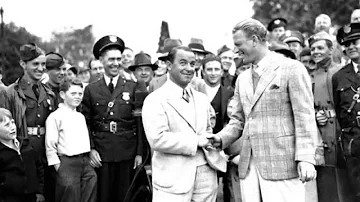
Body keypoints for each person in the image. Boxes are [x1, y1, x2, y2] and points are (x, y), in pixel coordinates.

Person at [208, 18, 317, 202]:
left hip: (283, 166)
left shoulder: (292, 68)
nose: (235, 50)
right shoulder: (242, 79)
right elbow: (238, 120)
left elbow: (304, 116)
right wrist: (220, 138)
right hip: (249, 168)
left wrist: (306, 158)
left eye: (238, 44)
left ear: (254, 40)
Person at [142, 46, 227, 202]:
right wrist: (196, 141)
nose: (189, 68)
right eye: (183, 63)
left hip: (205, 178)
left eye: (192, 64)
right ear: (168, 65)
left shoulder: (201, 99)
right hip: (173, 180)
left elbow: (207, 129)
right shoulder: (154, 100)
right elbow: (157, 139)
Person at [81, 35, 144, 202]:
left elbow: (139, 123)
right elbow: (86, 123)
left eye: (119, 59)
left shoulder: (132, 87)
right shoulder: (91, 90)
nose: (116, 63)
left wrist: (139, 152)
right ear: (101, 61)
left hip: (127, 150)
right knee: (104, 196)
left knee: (125, 195)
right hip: (102, 152)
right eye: (111, 59)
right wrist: (91, 149)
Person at [0, 43, 56, 202]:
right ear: (23, 64)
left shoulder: (49, 93)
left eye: (43, 64)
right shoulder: (11, 93)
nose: (41, 68)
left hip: (47, 151)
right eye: (35, 64)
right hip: (23, 153)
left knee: (49, 193)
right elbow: (4, 125)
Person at [309, 31, 355, 202]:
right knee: (327, 187)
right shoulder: (309, 76)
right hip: (322, 136)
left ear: (331, 49)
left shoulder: (344, 73)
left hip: (344, 135)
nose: (315, 52)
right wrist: (314, 115)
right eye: (313, 48)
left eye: (320, 48)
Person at [45, 79, 97, 202]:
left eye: (80, 94)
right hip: (67, 162)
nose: (77, 97)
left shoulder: (80, 116)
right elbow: (50, 145)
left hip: (84, 161)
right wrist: (59, 167)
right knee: (70, 194)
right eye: (73, 94)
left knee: (90, 190)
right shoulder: (55, 117)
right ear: (63, 95)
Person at [333, 22, 360, 201]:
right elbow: (339, 111)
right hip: (354, 143)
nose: (350, 47)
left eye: (355, 42)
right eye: (347, 44)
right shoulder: (339, 77)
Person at [0, 108, 45, 202]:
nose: (12, 127)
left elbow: (39, 168)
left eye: (12, 122)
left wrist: (39, 191)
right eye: (7, 125)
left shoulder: (26, 144)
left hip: (32, 197)